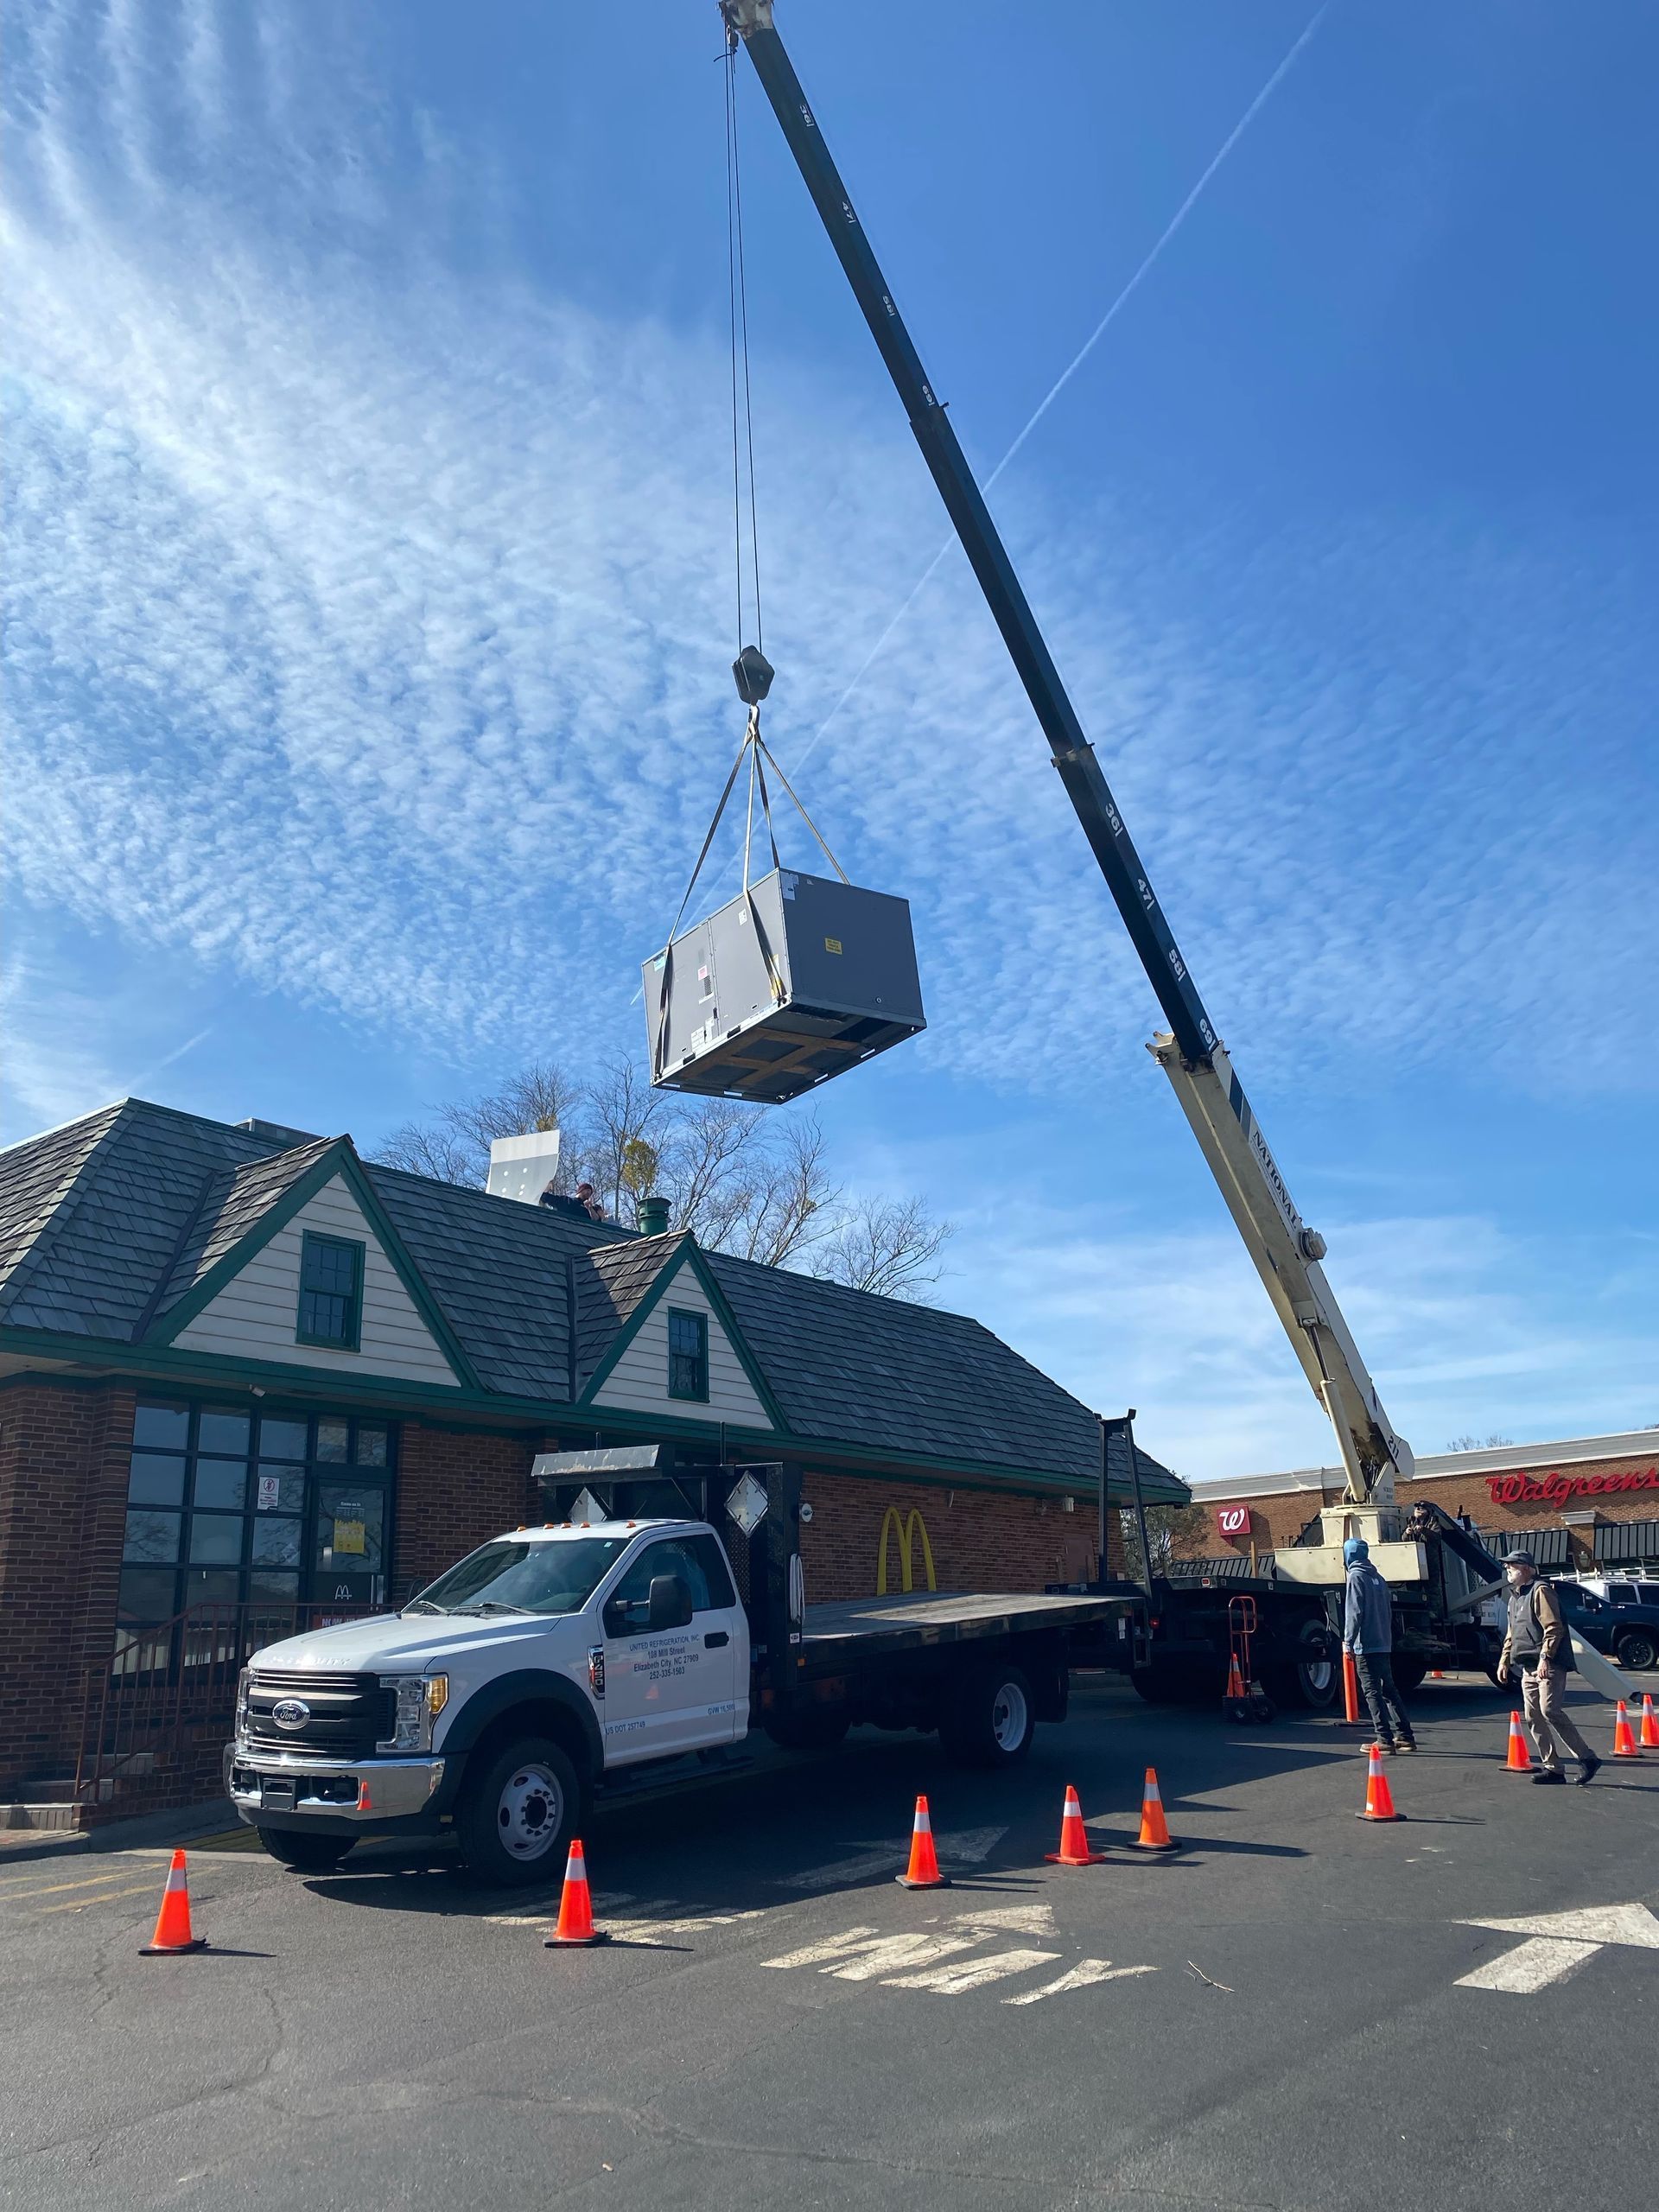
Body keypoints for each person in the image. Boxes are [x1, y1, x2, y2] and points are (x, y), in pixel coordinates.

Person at [1497, 1549, 1601, 1785]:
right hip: (1527, 1666)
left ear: (1525, 1568)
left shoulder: (1540, 1591)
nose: (1507, 1570)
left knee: (1550, 1710)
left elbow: (1553, 1627)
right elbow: (1512, 1633)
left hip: (1548, 1664)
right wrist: (1504, 1659)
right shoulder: (1515, 1598)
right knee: (1533, 1716)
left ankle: (1587, 1758)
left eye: (1511, 1566)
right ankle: (1553, 1768)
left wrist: (1546, 1657)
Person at [1342, 1535, 1416, 1752]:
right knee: (1389, 1690)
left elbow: (1354, 1612)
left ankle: (1384, 1739)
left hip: (1366, 1644)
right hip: (1383, 1642)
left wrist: (1348, 1641)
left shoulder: (1356, 1577)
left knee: (1371, 1691)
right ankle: (1405, 1736)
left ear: (1349, 1555)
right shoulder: (1379, 1578)